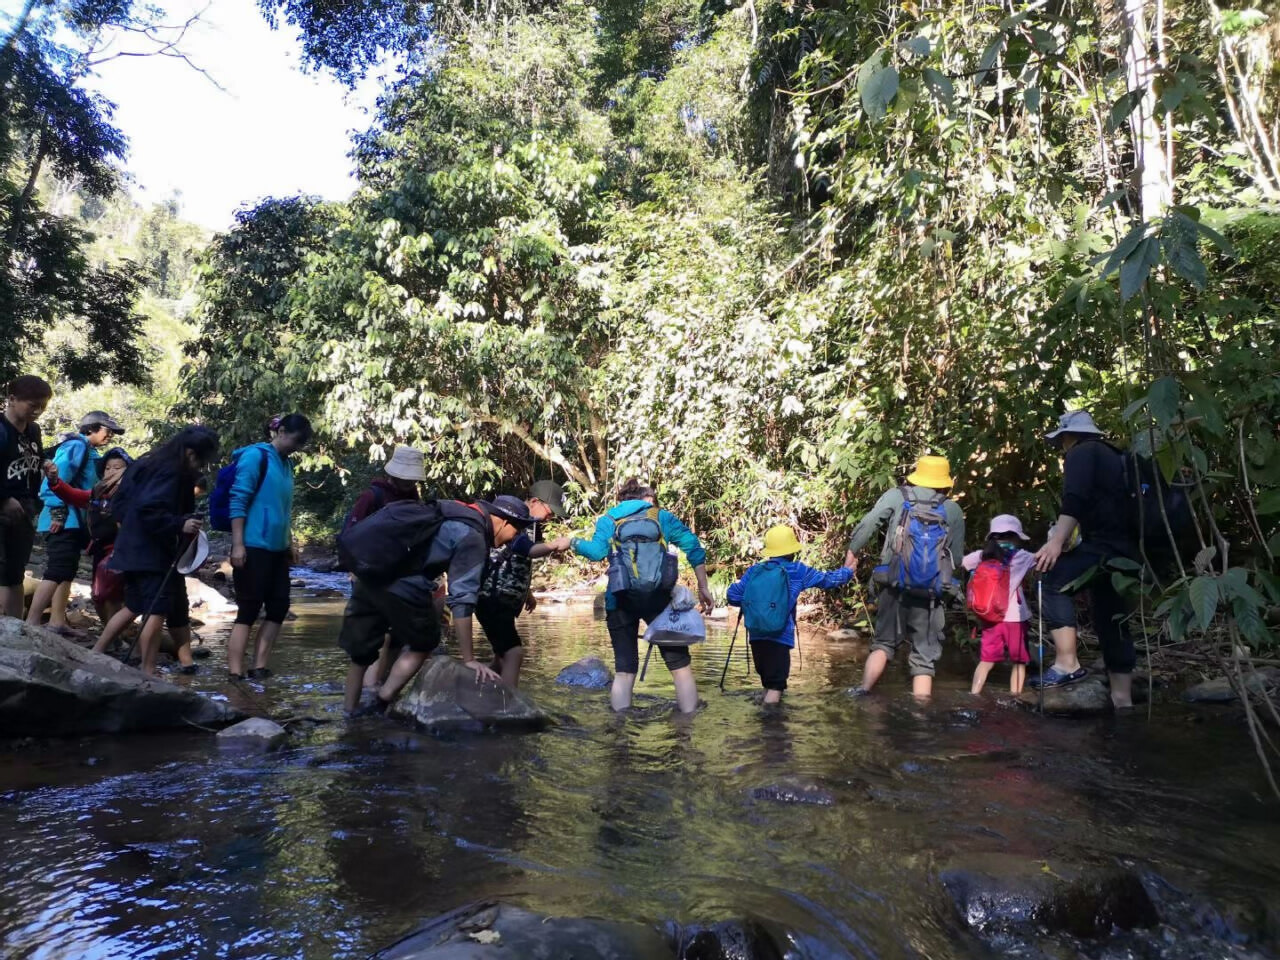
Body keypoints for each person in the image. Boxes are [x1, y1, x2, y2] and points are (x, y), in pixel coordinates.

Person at [339, 498, 521, 715]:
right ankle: (381, 702)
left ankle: (349, 714)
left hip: (369, 574)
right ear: (503, 522)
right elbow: (462, 598)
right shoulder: (473, 536)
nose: (513, 539)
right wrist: (469, 659)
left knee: (361, 654)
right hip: (405, 583)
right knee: (425, 641)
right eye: (516, 531)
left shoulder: (451, 509)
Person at [562, 478, 714, 714]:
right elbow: (693, 546)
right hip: (659, 600)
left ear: (621, 499)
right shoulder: (660, 517)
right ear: (646, 499)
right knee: (679, 667)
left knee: (624, 670)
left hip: (619, 599)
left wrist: (571, 542)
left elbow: (597, 552)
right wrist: (703, 587)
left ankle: (620, 731)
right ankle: (688, 727)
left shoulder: (609, 519)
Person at [1032, 410, 1137, 708]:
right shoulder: (1116, 456)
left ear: (1068, 436)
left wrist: (1055, 542)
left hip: (1103, 545)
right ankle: (1122, 698)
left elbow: (1074, 499)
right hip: (1126, 551)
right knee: (1110, 615)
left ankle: (1067, 663)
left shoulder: (1081, 453)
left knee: (1052, 580)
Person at [98, 426, 218, 677]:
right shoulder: (172, 472)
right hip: (151, 551)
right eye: (199, 459)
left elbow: (120, 506)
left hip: (130, 545)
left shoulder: (147, 463)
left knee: (133, 605)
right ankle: (148, 668)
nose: (198, 465)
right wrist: (179, 523)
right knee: (156, 609)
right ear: (190, 452)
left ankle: (96, 652)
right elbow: (151, 508)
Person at [845, 455, 966, 698]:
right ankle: (921, 717)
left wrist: (851, 552)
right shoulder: (952, 509)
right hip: (930, 592)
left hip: (893, 583)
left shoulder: (897, 496)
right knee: (924, 659)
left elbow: (869, 523)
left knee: (883, 644)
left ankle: (862, 692)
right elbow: (957, 559)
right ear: (944, 481)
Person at [226, 413, 312, 680]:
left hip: (276, 549)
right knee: (249, 609)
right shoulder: (255, 457)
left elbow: (282, 508)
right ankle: (235, 672)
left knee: (278, 606)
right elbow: (238, 500)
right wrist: (237, 544)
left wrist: (288, 543)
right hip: (252, 546)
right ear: (281, 431)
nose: (296, 447)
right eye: (296, 441)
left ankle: (259, 666)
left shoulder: (286, 465)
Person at [725, 524, 854, 704]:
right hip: (779, 638)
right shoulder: (797, 570)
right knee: (776, 687)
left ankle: (762, 720)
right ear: (792, 550)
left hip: (756, 636)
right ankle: (770, 727)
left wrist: (754, 603)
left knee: (767, 684)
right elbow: (828, 580)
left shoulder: (755, 570)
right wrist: (849, 571)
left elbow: (733, 596)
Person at [26, 411, 125, 634]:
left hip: (75, 522)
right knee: (57, 569)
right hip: (61, 520)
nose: (110, 435)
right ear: (91, 428)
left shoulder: (88, 450)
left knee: (67, 570)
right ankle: (31, 623)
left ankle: (57, 621)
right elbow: (52, 482)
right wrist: (58, 513)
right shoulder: (76, 447)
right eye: (107, 430)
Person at [345, 445, 428, 690]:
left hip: (401, 576)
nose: (408, 482)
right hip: (370, 575)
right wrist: (354, 569)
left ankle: (381, 684)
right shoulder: (372, 496)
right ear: (394, 474)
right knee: (375, 635)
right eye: (405, 477)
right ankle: (370, 688)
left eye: (411, 478)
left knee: (398, 636)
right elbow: (351, 534)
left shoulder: (413, 497)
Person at [475, 492, 571, 688]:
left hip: (501, 598)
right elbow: (528, 550)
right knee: (514, 652)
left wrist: (528, 593)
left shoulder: (531, 526)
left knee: (501, 658)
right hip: (495, 597)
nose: (549, 518)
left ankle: (471, 687)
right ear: (535, 501)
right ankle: (509, 707)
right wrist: (553, 545)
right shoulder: (514, 519)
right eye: (549, 512)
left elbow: (518, 562)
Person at [43, 447, 132, 627]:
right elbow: (73, 495)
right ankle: (114, 635)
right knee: (98, 596)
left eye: (117, 467)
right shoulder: (98, 493)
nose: (111, 472)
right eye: (108, 468)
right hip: (101, 550)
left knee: (118, 595)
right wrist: (54, 481)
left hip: (124, 552)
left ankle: (121, 637)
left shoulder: (134, 494)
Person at [962, 515, 1035, 695]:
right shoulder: (1022, 556)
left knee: (986, 661)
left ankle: (974, 694)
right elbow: (1043, 560)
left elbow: (963, 563)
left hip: (990, 617)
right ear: (1015, 536)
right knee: (1019, 662)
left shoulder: (981, 555)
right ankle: (1015, 697)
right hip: (1015, 619)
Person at [0, 376, 52, 619]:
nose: (38, 411)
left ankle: (16, 628)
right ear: (11, 399)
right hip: (4, 506)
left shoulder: (33, 431)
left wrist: (47, 466)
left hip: (25, 509)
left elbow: (36, 460)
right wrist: (3, 499)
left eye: (42, 406)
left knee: (15, 572)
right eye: (33, 405)